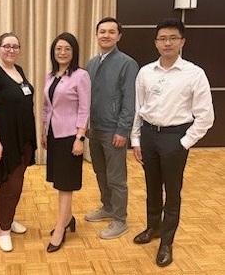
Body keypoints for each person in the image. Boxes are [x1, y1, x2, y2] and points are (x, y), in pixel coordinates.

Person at [130, 18, 214, 267]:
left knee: (172, 191)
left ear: (182, 41)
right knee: (152, 186)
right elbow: (139, 108)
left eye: (172, 38)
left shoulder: (194, 73)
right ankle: (152, 228)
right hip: (148, 135)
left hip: (174, 138)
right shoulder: (145, 72)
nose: (167, 43)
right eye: (162, 38)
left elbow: (206, 116)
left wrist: (184, 142)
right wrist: (136, 139)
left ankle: (167, 241)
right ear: (156, 43)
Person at [0, 33, 37, 252]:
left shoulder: (18, 71)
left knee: (15, 182)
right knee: (11, 185)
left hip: (23, 138)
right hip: (5, 140)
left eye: (15, 46)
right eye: (6, 46)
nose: (11, 50)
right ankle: (3, 230)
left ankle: (6, 219)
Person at [85, 17, 139, 239]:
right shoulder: (92, 63)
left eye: (111, 32)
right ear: (96, 35)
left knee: (116, 177)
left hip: (114, 131)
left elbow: (130, 100)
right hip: (95, 130)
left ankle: (120, 219)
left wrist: (123, 130)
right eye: (102, 31)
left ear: (119, 36)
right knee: (100, 171)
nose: (106, 35)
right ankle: (107, 207)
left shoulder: (127, 64)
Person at [41, 32, 90, 252]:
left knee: (65, 186)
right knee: (59, 181)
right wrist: (44, 131)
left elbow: (84, 109)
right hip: (53, 134)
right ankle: (68, 219)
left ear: (74, 52)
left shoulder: (81, 75)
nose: (62, 52)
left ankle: (60, 229)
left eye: (67, 49)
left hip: (70, 136)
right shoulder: (50, 75)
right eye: (58, 48)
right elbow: (46, 106)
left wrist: (80, 137)